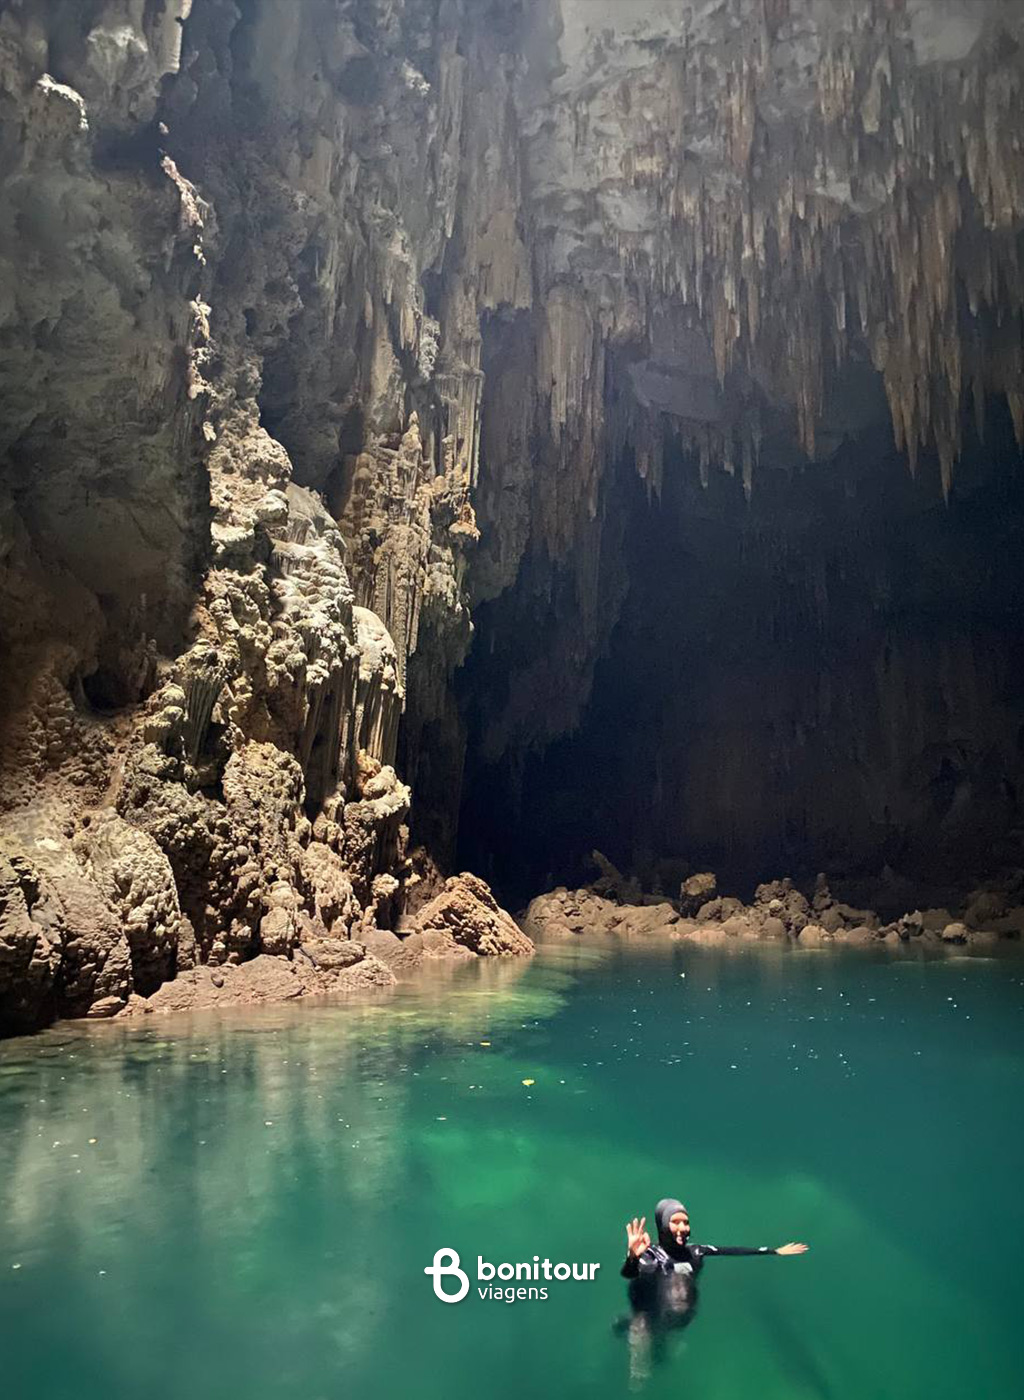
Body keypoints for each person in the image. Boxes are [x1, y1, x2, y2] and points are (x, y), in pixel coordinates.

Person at [618, 1197, 808, 1384]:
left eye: (686, 1222)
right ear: (662, 1226)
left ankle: (653, 1342)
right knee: (641, 1339)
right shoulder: (651, 1255)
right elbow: (630, 1273)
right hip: (649, 1314)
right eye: (675, 1222)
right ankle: (638, 1368)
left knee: (666, 1340)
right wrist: (632, 1257)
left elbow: (733, 1251)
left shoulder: (697, 1252)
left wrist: (773, 1251)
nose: (683, 1228)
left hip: (681, 1317)